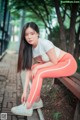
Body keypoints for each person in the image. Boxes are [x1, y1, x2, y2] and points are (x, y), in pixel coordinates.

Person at [11, 22, 77, 116]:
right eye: (26, 34)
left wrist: (39, 66)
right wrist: (24, 92)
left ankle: (28, 107)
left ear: (37, 33)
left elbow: (54, 62)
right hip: (59, 64)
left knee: (39, 71)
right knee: (34, 68)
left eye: (32, 33)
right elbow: (29, 70)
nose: (29, 37)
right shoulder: (29, 48)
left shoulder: (45, 43)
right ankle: (36, 100)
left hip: (68, 63)